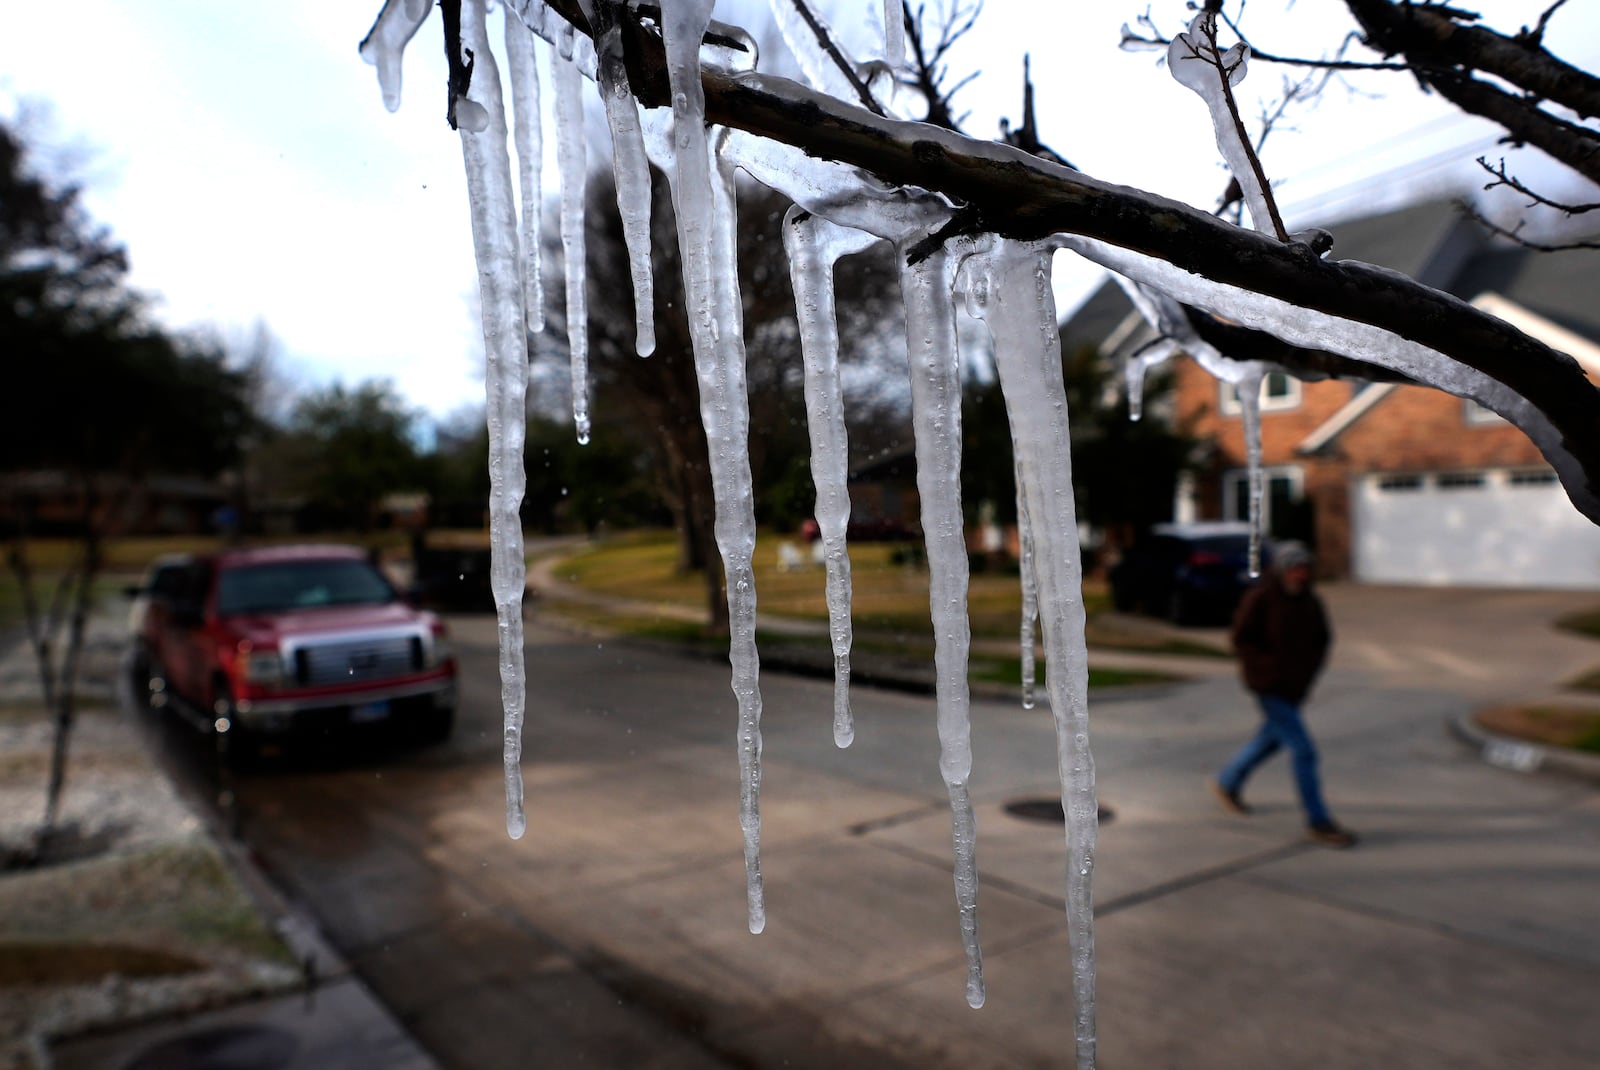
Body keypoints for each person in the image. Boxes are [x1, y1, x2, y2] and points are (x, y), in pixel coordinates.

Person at [1212, 541, 1357, 848]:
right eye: (1294, 568)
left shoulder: (1311, 603)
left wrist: (1309, 673)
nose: (1300, 574)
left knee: (1269, 740)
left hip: (1295, 689)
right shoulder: (1261, 599)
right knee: (1304, 750)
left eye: (1305, 568)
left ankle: (1227, 782)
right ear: (1281, 570)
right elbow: (1241, 639)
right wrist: (1265, 669)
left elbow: (1322, 641)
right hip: (1268, 687)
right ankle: (1318, 821)